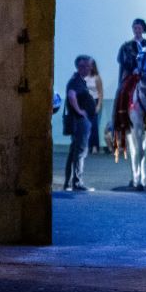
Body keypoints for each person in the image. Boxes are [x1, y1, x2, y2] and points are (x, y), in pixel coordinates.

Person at [64, 56, 98, 191]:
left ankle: (69, 183)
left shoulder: (79, 81)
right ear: (81, 67)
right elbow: (71, 96)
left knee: (74, 151)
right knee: (80, 152)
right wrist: (80, 111)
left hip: (80, 121)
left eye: (90, 66)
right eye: (88, 66)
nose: (90, 68)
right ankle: (77, 183)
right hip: (80, 121)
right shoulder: (75, 81)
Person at [85, 57, 104, 154]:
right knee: (86, 126)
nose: (89, 67)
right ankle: (88, 146)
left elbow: (100, 93)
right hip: (86, 102)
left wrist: (98, 106)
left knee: (94, 126)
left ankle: (95, 147)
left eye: (91, 65)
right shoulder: (83, 77)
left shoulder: (97, 77)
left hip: (95, 102)